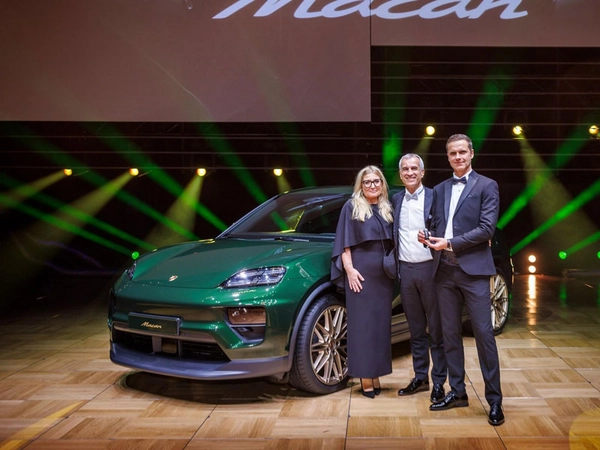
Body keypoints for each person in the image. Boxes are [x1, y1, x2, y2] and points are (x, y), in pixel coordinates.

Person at [421, 134, 504, 426]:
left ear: (471, 154)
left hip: (474, 273)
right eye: (452, 153)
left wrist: (451, 243)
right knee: (449, 335)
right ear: (447, 157)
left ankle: (494, 400)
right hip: (443, 272)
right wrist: (428, 236)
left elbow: (486, 229)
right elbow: (435, 224)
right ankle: (457, 392)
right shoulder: (441, 189)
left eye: (462, 152)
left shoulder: (487, 185)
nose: (457, 157)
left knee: (483, 334)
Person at [331, 165, 394, 398]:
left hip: (383, 277)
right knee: (362, 328)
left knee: (379, 328)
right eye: (367, 182)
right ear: (360, 184)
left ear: (382, 184)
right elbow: (343, 244)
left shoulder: (387, 207)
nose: (372, 185)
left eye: (376, 181)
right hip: (361, 274)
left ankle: (375, 374)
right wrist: (349, 270)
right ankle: (365, 378)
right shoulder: (351, 207)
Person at [391, 154, 447, 403]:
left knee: (436, 329)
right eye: (405, 168)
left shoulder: (436, 196)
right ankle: (420, 377)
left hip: (430, 270)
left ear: (422, 172)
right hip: (406, 271)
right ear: (400, 173)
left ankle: (439, 382)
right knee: (415, 330)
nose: (410, 172)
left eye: (415, 168)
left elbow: (447, 227)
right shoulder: (396, 199)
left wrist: (433, 234)